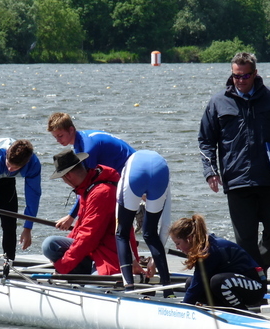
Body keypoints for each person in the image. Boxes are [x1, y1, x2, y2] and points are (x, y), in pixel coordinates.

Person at [198, 52, 270, 271]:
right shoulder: (218, 101)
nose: (240, 80)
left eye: (245, 76)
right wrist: (210, 171)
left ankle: (253, 271)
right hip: (237, 181)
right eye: (236, 76)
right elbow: (205, 140)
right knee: (245, 240)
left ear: (255, 74)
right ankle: (254, 281)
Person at [47, 112, 136, 230]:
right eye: (55, 137)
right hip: (123, 169)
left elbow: (87, 185)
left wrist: (71, 217)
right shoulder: (80, 142)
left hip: (132, 170)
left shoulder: (88, 149)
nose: (57, 140)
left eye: (60, 135)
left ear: (71, 130)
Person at [42, 149, 124, 275]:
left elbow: (88, 236)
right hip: (95, 247)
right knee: (50, 245)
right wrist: (65, 260)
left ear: (68, 176)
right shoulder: (88, 187)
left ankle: (84, 273)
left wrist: (64, 265)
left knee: (94, 289)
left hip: (108, 252)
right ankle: (81, 270)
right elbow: (80, 229)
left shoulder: (101, 193)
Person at [169, 214, 265, 309]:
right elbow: (196, 284)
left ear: (189, 239)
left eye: (178, 243)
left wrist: (184, 308)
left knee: (218, 282)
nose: (177, 248)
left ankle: (240, 311)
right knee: (190, 283)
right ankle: (221, 308)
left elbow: (198, 284)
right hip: (235, 283)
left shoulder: (211, 249)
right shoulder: (203, 246)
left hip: (255, 287)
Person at [115, 150, 173, 296]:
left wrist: (133, 260)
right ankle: (168, 289)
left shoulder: (127, 170)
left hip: (135, 173)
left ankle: (128, 286)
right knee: (150, 233)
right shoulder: (165, 179)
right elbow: (166, 225)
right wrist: (154, 261)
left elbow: (122, 232)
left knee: (121, 233)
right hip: (160, 172)